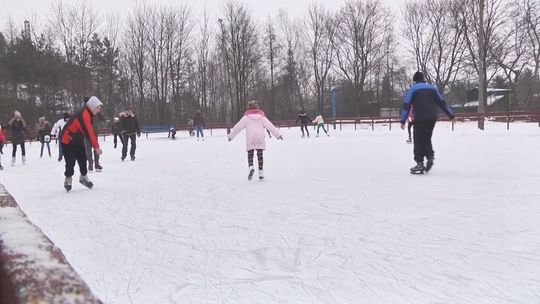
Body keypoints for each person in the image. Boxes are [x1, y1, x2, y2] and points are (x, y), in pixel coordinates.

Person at [400, 71, 455, 174]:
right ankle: (429, 156)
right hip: (432, 117)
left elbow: (406, 105)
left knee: (418, 140)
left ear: (414, 80)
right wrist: (451, 115)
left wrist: (403, 120)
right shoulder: (432, 88)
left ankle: (419, 163)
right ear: (423, 79)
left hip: (420, 118)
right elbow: (442, 103)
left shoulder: (413, 89)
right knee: (426, 138)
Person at [227, 100, 283, 180]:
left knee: (250, 153)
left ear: (249, 108)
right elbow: (270, 126)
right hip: (260, 136)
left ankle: (251, 166)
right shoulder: (262, 117)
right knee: (260, 154)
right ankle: (261, 173)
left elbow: (237, 127)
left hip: (250, 136)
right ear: (257, 107)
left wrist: (231, 136)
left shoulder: (246, 117)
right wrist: (278, 135)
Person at [60, 96, 103, 191]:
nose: (99, 110)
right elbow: (89, 132)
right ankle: (68, 178)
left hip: (77, 139)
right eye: (98, 108)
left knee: (83, 158)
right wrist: (96, 147)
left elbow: (90, 131)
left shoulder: (88, 114)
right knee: (70, 161)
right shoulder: (84, 115)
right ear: (92, 107)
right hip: (67, 140)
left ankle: (83, 177)